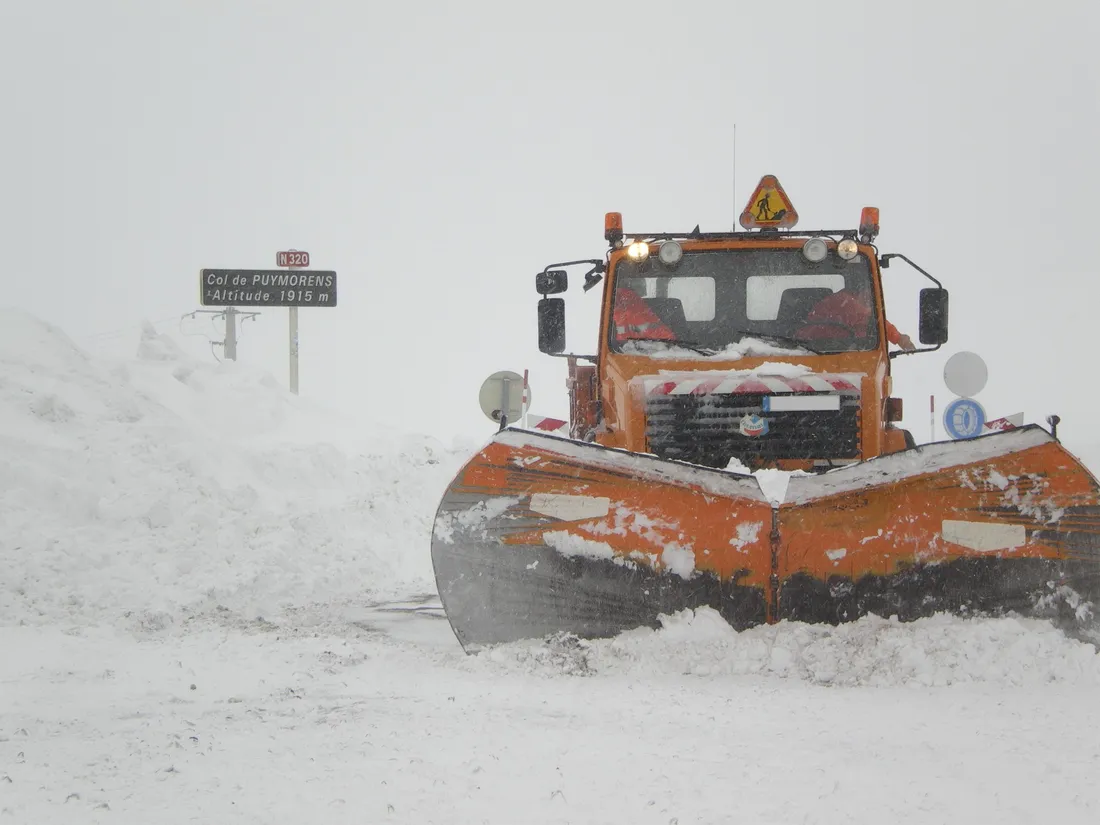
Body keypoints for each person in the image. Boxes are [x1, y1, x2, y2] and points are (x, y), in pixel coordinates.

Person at [798, 280, 915, 351]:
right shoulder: (845, 301)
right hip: (816, 347)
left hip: (828, 349)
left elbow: (876, 322)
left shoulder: (850, 305)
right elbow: (876, 321)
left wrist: (898, 338)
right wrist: (899, 338)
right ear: (861, 290)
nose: (871, 299)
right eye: (869, 293)